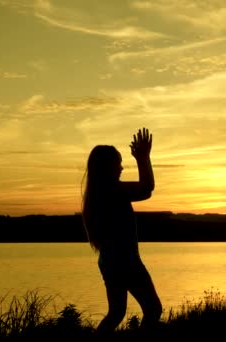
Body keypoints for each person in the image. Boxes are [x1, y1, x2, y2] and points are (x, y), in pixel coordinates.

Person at [81, 127, 162, 335]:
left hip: (109, 261)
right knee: (153, 309)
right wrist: (143, 158)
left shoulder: (98, 193)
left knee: (116, 313)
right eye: (118, 163)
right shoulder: (112, 190)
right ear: (107, 167)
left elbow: (146, 189)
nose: (121, 168)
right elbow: (147, 188)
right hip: (125, 261)